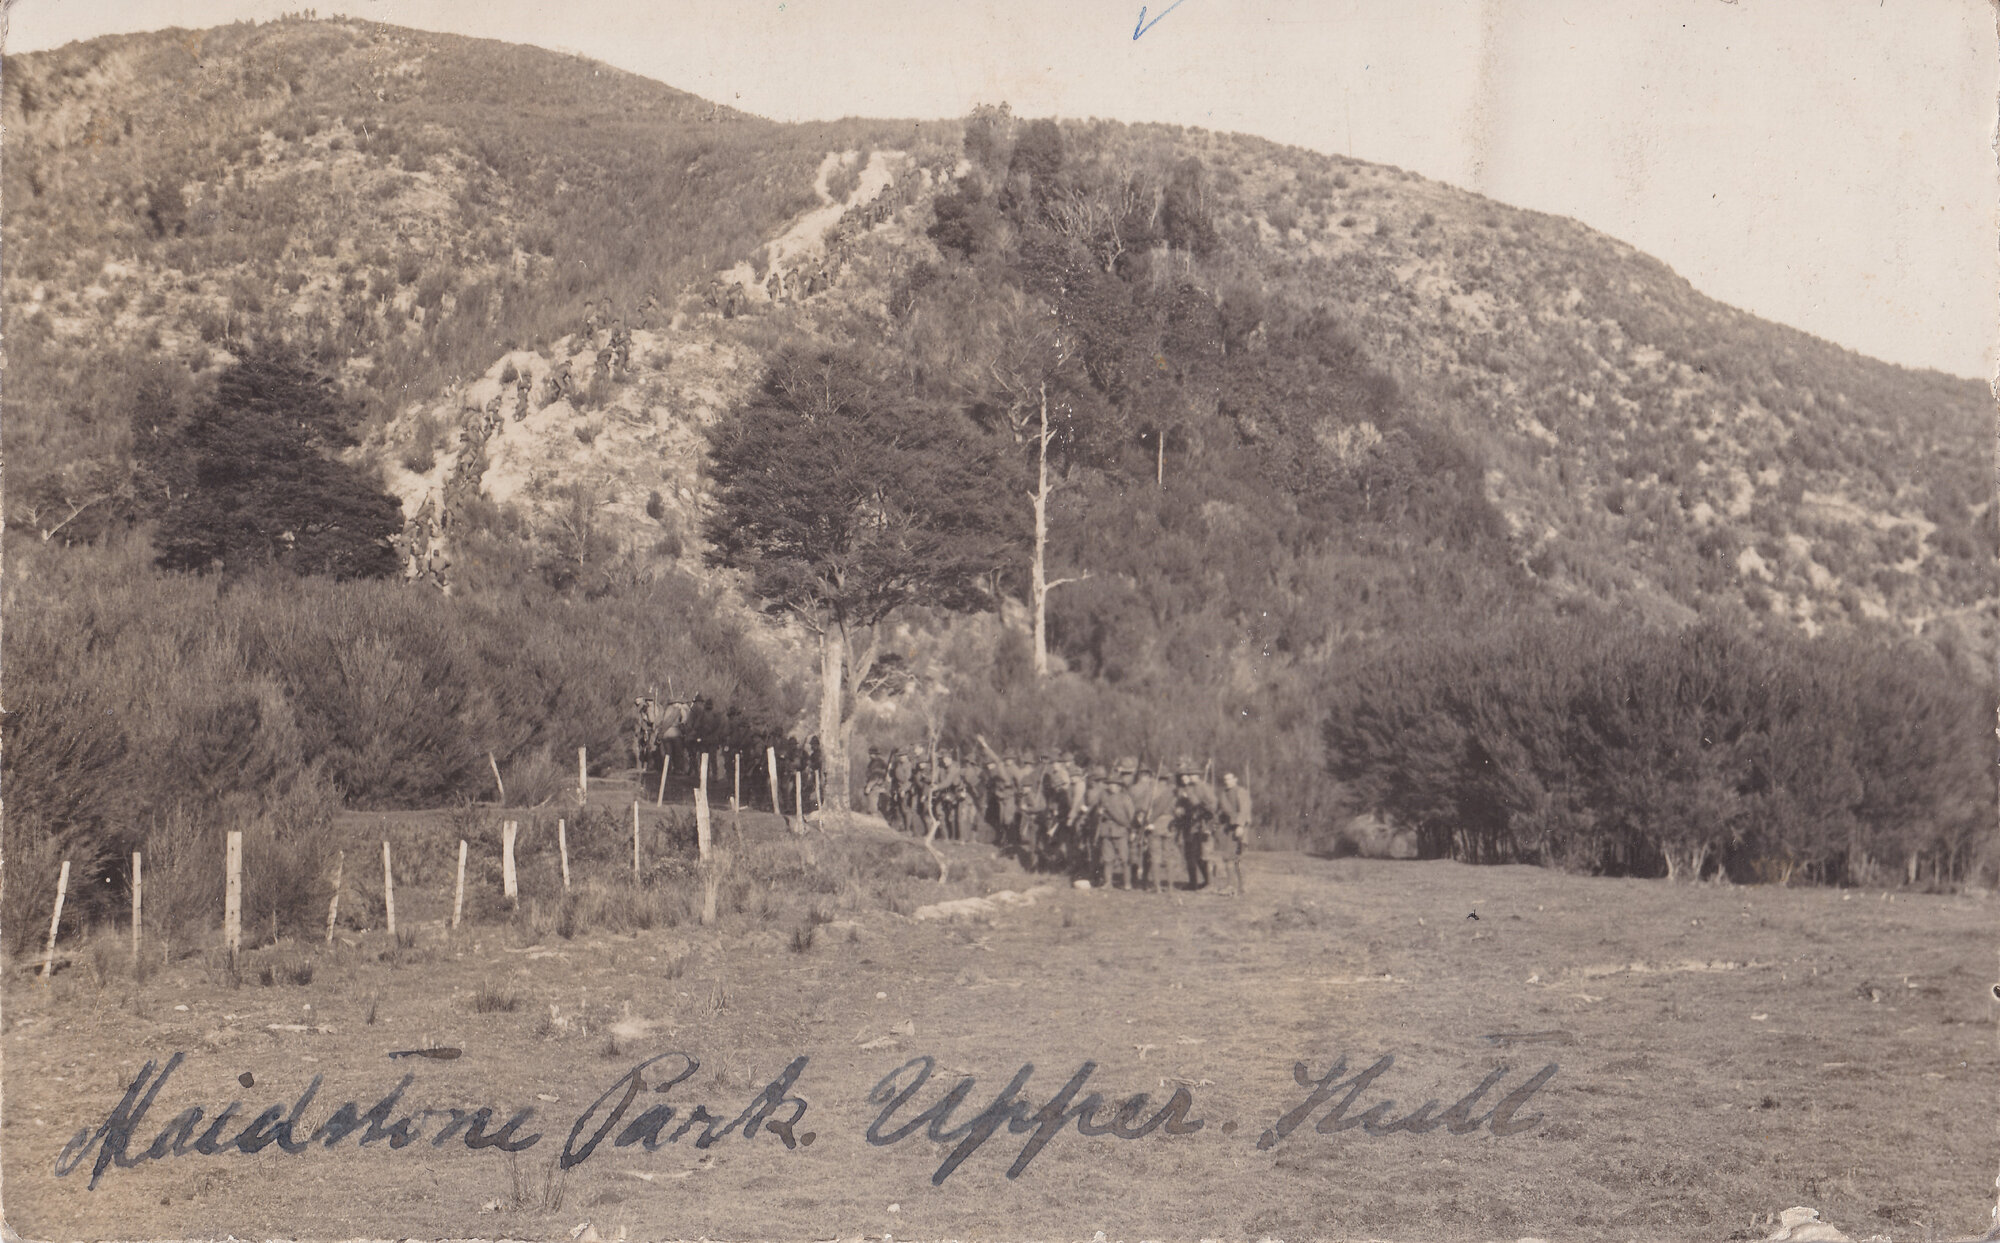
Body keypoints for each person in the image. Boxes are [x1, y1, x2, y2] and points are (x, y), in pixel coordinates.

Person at [1172, 758, 1219, 890]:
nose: (1189, 777)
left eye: (1192, 774)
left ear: (1198, 775)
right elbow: (1183, 805)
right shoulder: (1187, 788)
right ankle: (1193, 883)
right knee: (1191, 855)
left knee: (1203, 855)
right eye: (1188, 774)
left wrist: (1196, 803)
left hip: (1203, 825)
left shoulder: (1204, 787)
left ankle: (1209, 883)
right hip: (1191, 825)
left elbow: (1212, 806)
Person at [1216, 771, 1252, 896]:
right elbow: (1221, 812)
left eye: (1230, 779)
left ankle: (1242, 887)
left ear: (1235, 779)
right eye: (1225, 779)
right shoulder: (1223, 794)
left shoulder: (1241, 791)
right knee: (1228, 857)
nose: (1227, 781)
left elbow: (1244, 810)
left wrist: (1240, 826)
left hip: (1239, 828)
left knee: (1238, 857)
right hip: (1228, 829)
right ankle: (1231, 886)